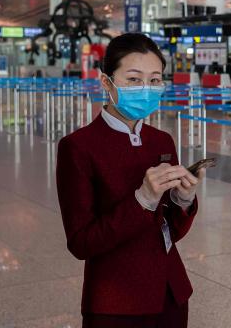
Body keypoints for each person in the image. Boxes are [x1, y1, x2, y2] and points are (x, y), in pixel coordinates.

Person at [56, 33, 203, 327]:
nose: (145, 89)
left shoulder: (161, 140)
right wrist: (141, 201)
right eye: (134, 79)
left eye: (155, 79)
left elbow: (170, 230)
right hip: (116, 301)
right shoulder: (79, 147)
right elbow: (81, 243)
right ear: (107, 83)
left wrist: (183, 200)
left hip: (170, 292)